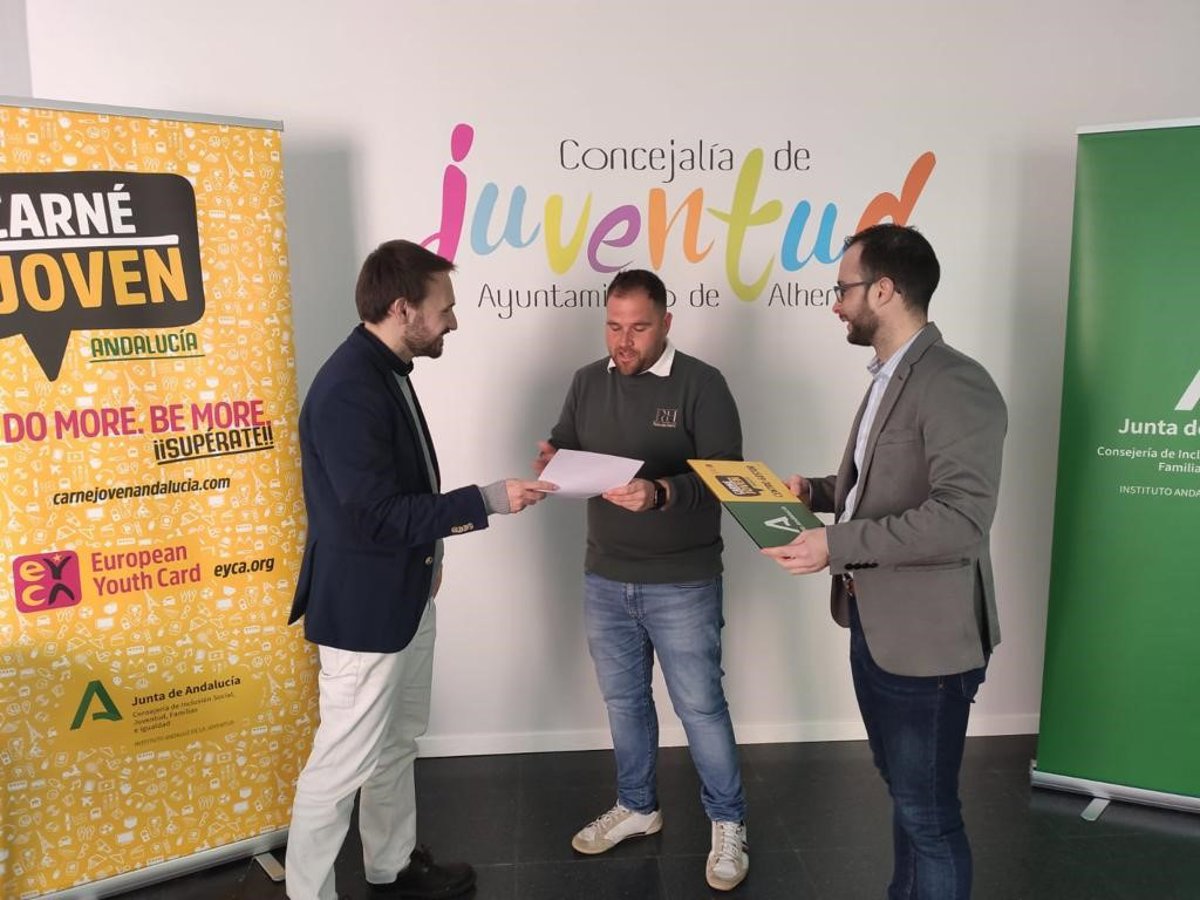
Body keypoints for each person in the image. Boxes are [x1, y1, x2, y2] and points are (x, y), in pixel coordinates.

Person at [285, 239, 554, 900]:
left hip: (404, 594)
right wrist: (487, 500)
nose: (453, 321)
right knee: (339, 765)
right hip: (365, 611)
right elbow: (373, 517)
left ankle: (391, 865)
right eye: (445, 308)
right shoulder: (350, 389)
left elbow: (396, 496)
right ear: (404, 308)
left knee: (397, 741)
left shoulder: (383, 370)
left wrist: (431, 555)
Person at [763, 224, 1007, 899]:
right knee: (906, 796)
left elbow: (960, 519)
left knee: (928, 815)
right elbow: (883, 488)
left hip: (929, 644)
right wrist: (816, 494)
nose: (835, 303)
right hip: (874, 622)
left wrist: (835, 544)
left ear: (885, 290)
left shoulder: (956, 382)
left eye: (843, 288)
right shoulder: (888, 377)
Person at [534, 269, 750, 892]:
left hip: (682, 580)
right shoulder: (586, 381)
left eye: (638, 328)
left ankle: (729, 822)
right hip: (605, 575)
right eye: (613, 326)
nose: (623, 341)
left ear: (666, 323)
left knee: (700, 708)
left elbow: (727, 477)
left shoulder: (703, 384)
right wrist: (552, 457)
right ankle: (637, 807)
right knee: (624, 702)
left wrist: (659, 492)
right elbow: (567, 444)